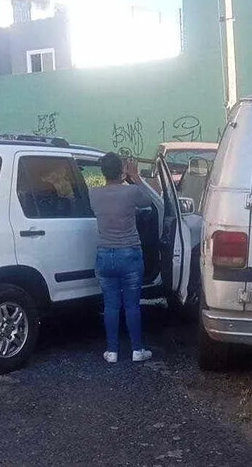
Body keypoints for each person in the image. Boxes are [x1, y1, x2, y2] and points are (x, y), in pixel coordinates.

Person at [88, 152, 153, 364]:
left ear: (103, 172)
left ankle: (112, 352)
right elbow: (149, 201)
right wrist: (135, 177)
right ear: (121, 170)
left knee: (111, 305)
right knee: (132, 305)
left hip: (105, 255)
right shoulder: (132, 192)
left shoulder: (93, 194)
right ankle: (137, 350)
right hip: (129, 254)